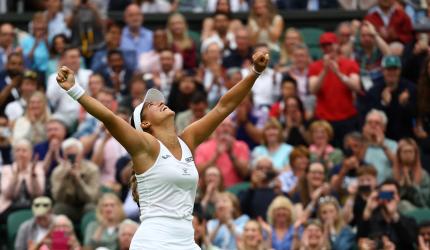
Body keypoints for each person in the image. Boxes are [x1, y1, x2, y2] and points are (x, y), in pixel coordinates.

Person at [55, 48, 270, 249]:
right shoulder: (145, 146)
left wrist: (254, 72)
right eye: (150, 105)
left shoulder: (188, 140)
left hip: (186, 241)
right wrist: (74, 89)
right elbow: (109, 118)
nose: (158, 103)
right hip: (153, 242)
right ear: (145, 124)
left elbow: (223, 107)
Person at [357, 179, 417, 250]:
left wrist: (393, 215)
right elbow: (360, 241)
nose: (388, 197)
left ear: (398, 197)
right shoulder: (370, 221)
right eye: (384, 193)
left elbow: (410, 241)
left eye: (391, 194)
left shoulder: (410, 221)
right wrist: (368, 210)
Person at [51, 138, 100, 223]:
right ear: (64, 156)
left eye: (74, 155)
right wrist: (65, 178)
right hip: (68, 206)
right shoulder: (58, 172)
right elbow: (57, 198)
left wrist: (78, 180)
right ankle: (59, 236)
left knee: (91, 208)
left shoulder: (92, 170)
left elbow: (91, 198)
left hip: (86, 205)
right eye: (68, 156)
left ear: (81, 154)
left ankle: (89, 234)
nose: (71, 158)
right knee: (58, 209)